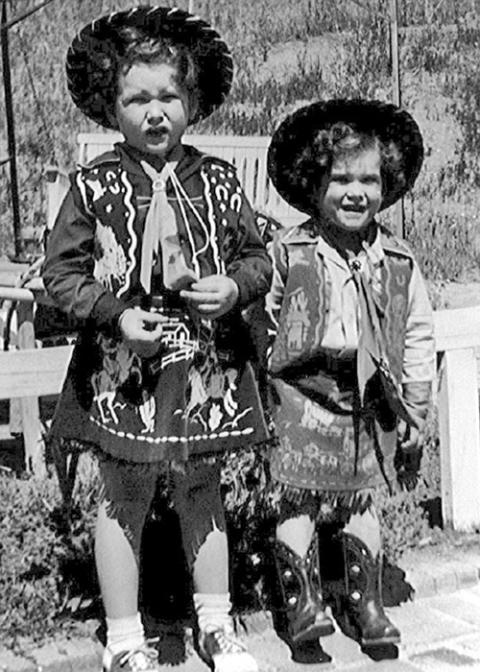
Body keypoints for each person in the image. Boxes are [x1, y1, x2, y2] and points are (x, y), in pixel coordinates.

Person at [42, 6, 272, 672]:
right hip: (124, 367)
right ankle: (123, 638)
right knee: (124, 495)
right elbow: (60, 273)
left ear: (191, 103)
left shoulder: (219, 183)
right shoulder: (94, 188)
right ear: (111, 108)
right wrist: (115, 315)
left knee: (203, 491)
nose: (154, 111)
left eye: (168, 95)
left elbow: (259, 258)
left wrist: (234, 286)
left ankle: (216, 627)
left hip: (204, 367)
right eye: (136, 98)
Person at [264, 99, 435, 656]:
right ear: (315, 185)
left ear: (386, 186)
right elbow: (264, 317)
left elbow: (415, 335)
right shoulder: (291, 252)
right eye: (340, 179)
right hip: (301, 393)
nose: (355, 192)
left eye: (368, 179)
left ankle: (366, 603)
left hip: (368, 395)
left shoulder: (399, 262)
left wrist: (415, 408)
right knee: (299, 498)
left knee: (362, 500)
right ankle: (303, 602)